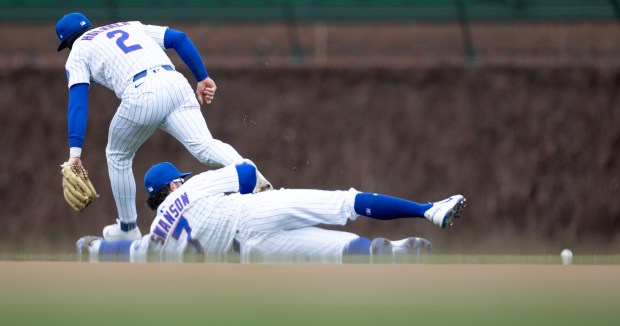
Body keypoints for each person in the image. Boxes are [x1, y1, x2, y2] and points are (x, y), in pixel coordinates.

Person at [55, 12, 270, 242]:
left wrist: (74, 153)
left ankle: (127, 229)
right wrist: (202, 77)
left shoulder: (78, 51)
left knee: (117, 155)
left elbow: (78, 103)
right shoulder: (130, 25)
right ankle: (255, 178)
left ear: (67, 43)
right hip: (176, 83)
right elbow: (178, 38)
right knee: (205, 146)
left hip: (141, 93)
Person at [76, 162, 466, 263]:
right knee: (344, 202)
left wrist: (92, 247)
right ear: (173, 185)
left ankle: (393, 253)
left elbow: (123, 253)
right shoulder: (192, 186)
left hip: (249, 253)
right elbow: (246, 174)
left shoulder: (156, 238)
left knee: (332, 250)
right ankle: (427, 210)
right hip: (255, 211)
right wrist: (257, 182)